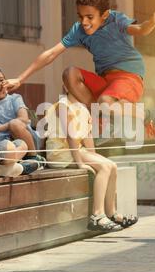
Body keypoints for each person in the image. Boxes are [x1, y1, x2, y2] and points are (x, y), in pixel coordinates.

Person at [5, 0, 155, 148]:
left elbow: (140, 29)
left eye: (90, 17)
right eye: (80, 16)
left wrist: (153, 21)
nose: (84, 22)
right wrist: (21, 78)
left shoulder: (116, 20)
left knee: (106, 103)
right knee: (70, 74)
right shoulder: (79, 30)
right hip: (105, 81)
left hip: (128, 77)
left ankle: (151, 114)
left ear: (104, 15)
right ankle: (103, 121)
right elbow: (51, 54)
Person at [44, 87, 138, 232]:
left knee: (111, 165)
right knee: (105, 167)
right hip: (60, 152)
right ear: (67, 87)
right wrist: (81, 163)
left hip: (75, 150)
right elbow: (71, 136)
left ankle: (111, 213)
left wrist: (95, 158)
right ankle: (97, 215)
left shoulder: (83, 109)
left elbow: (87, 136)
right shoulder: (63, 105)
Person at [0, 66, 46, 167]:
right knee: (0, 151)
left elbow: (23, 119)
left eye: (1, 80)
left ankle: (33, 158)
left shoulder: (15, 98)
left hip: (27, 141)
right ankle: (11, 166)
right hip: (7, 144)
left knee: (14, 124)